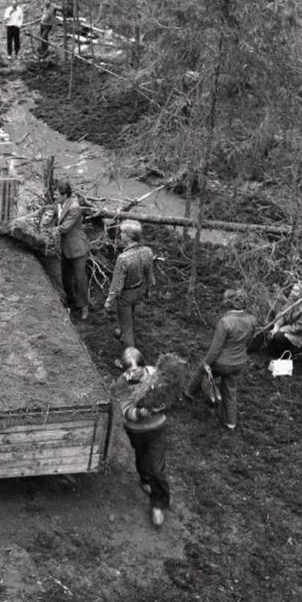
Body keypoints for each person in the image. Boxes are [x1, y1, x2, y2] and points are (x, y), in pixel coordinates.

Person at [110, 347, 170, 528]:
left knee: (156, 468)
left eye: (135, 370)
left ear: (144, 366)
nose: (132, 374)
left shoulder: (156, 375)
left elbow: (168, 393)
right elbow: (127, 410)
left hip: (157, 427)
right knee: (142, 458)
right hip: (136, 430)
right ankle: (144, 479)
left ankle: (158, 504)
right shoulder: (122, 384)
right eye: (128, 371)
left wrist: (163, 403)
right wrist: (142, 412)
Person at [183, 288, 257, 431]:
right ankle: (231, 422)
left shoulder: (225, 322)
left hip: (222, 363)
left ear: (230, 303)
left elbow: (215, 349)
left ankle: (189, 393)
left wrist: (206, 363)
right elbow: (250, 342)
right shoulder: (252, 320)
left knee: (201, 370)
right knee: (230, 388)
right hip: (239, 362)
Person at [104, 219, 155, 361]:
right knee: (129, 316)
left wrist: (109, 300)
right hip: (139, 290)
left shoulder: (123, 258)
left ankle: (129, 360)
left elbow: (117, 284)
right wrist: (148, 290)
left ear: (129, 236)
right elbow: (149, 274)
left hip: (126, 295)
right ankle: (123, 332)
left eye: (122, 232)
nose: (120, 235)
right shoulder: (147, 251)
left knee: (127, 329)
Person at [52, 180, 90, 322]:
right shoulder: (59, 204)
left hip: (77, 248)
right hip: (64, 248)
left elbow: (65, 228)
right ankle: (71, 301)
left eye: (57, 194)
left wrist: (47, 230)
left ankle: (84, 306)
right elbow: (47, 212)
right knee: (66, 277)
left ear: (65, 195)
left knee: (80, 279)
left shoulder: (74, 208)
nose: (54, 196)